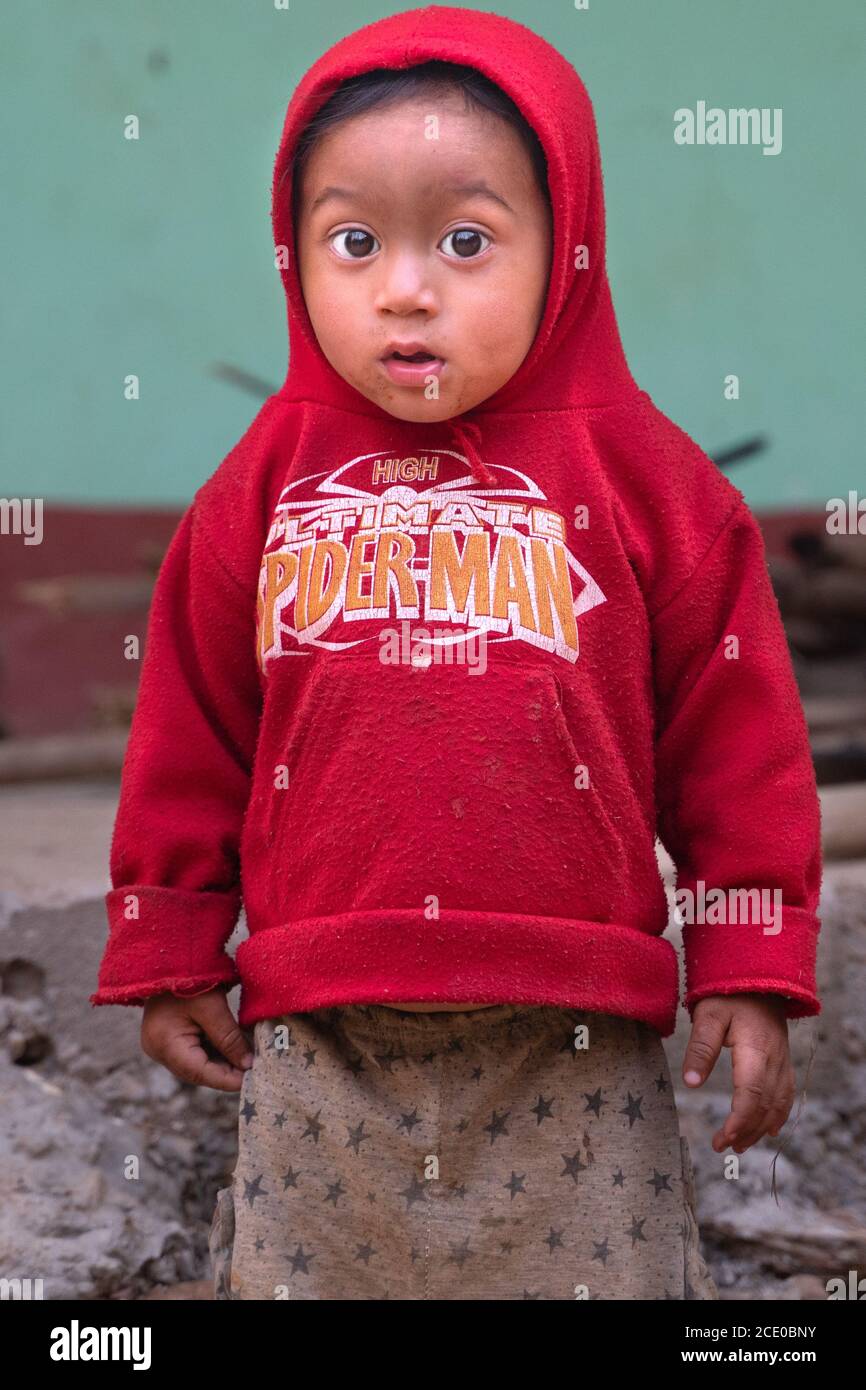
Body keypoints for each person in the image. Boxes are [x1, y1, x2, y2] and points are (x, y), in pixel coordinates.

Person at [91, 5, 822, 1301]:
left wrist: (749, 960)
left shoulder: (651, 484)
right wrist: (169, 939)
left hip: (575, 1033)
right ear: (293, 252)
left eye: (467, 240)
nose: (404, 286)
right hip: (321, 1031)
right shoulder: (264, 483)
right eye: (354, 240)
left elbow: (736, 742)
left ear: (569, 252)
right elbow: (192, 720)